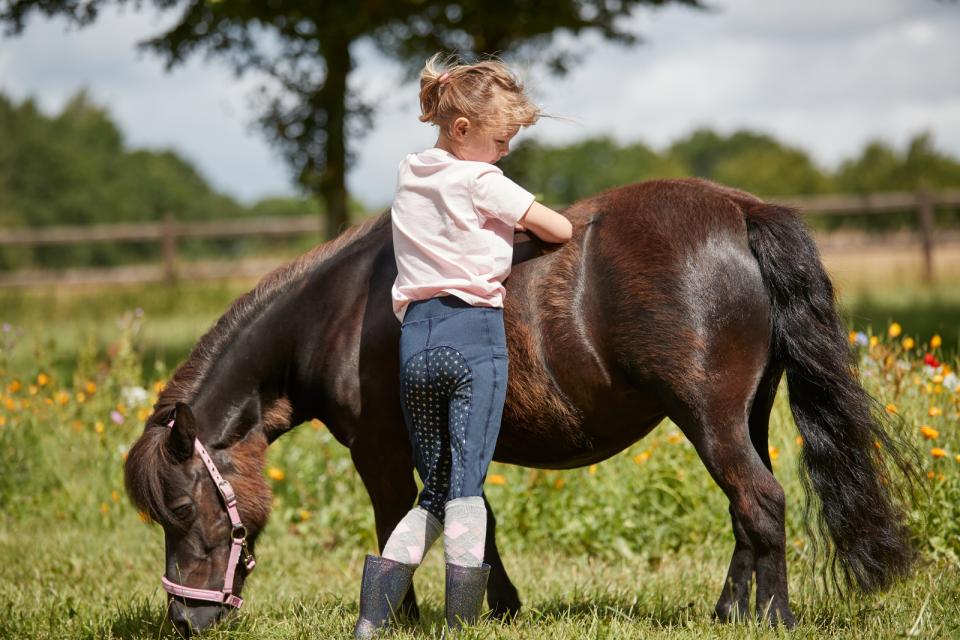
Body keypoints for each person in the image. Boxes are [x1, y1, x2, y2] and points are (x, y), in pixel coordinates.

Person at [354, 54, 573, 638]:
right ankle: (459, 629)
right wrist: (513, 223)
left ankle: (371, 622)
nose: (505, 152)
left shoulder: (409, 172)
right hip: (472, 339)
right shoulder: (483, 181)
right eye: (502, 140)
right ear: (462, 130)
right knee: (466, 494)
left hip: (415, 344)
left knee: (434, 493)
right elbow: (561, 230)